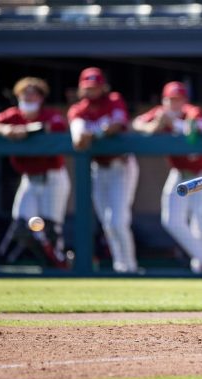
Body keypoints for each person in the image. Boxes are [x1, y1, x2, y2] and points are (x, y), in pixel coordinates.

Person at [0, 77, 70, 267]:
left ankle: (58, 262)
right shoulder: (13, 115)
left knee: (50, 226)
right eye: (24, 94)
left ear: (41, 97)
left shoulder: (48, 114)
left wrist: (28, 130)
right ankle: (48, 259)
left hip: (52, 178)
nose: (28, 98)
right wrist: (4, 129)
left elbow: (59, 125)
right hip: (29, 179)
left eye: (33, 94)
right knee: (23, 226)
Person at [132, 81, 202, 273]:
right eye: (171, 100)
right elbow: (136, 123)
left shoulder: (191, 111)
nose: (174, 104)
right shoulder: (160, 112)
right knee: (171, 220)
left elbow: (196, 128)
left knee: (200, 218)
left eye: (178, 100)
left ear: (184, 100)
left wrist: (176, 124)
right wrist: (154, 126)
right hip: (180, 171)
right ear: (164, 101)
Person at [68, 67, 138, 273]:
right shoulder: (78, 109)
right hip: (98, 168)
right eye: (88, 87)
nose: (92, 91)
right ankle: (120, 265)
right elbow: (78, 139)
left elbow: (116, 124)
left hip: (121, 166)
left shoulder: (114, 100)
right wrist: (82, 135)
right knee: (107, 223)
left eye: (96, 87)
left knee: (118, 220)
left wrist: (96, 133)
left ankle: (130, 267)